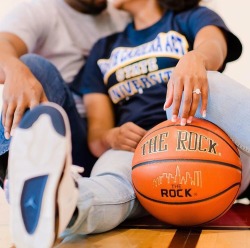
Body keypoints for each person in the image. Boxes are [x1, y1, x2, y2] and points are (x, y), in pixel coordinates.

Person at [7, 0, 250, 247]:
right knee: (113, 180)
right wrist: (113, 136)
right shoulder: (104, 49)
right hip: (141, 148)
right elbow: (97, 134)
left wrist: (195, 58)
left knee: (210, 83)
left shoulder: (189, 17)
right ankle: (60, 206)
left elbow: (214, 46)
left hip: (200, 134)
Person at [0, 0, 130, 184]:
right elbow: (3, 46)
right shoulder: (40, 11)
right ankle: (15, 173)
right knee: (33, 65)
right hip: (64, 127)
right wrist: (16, 70)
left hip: (115, 132)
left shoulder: (122, 14)